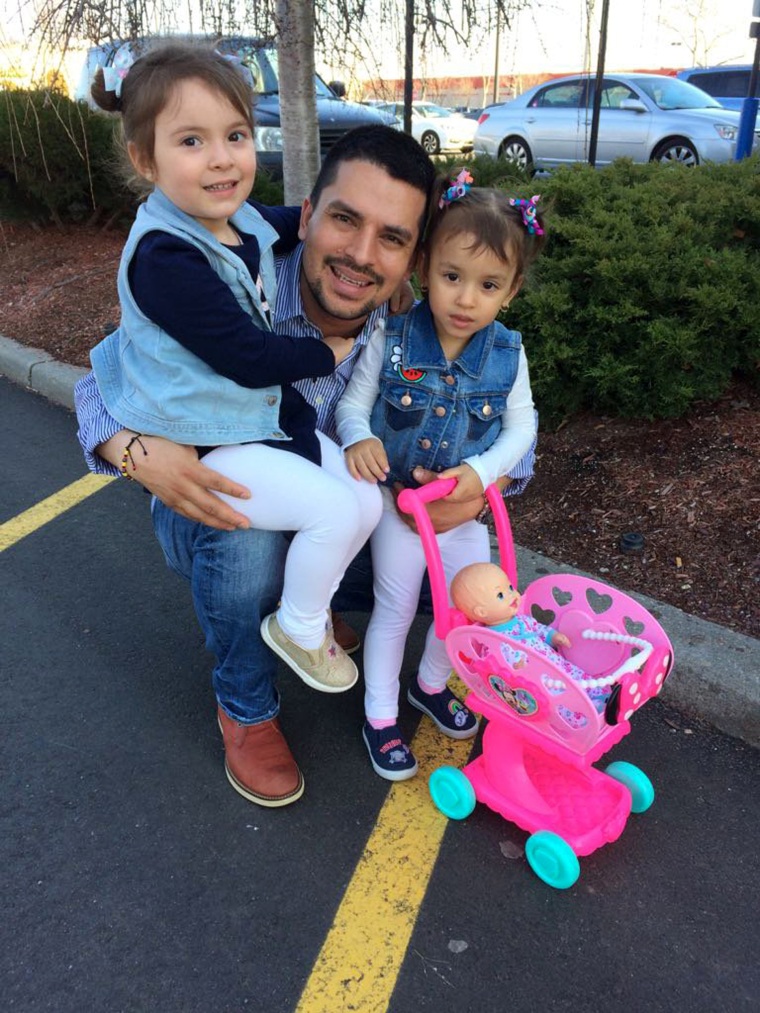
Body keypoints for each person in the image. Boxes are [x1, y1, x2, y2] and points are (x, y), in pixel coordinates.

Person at [75, 129, 536, 808]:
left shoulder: (413, 320)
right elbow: (107, 368)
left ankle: (315, 613)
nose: (360, 255)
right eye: (345, 219)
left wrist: (483, 485)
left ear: (416, 256)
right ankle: (246, 704)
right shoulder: (238, 273)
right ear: (310, 209)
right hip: (225, 503)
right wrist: (134, 452)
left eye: (391, 237)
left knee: (438, 568)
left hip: (341, 507)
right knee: (246, 538)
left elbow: (507, 419)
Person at [88, 43, 383, 707]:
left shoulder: (231, 219)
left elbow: (274, 225)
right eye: (192, 140)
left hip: (258, 427)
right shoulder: (166, 257)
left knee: (364, 500)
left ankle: (309, 600)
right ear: (146, 159)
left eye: (237, 135)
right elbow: (247, 355)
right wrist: (327, 353)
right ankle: (284, 646)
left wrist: (322, 221)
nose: (222, 157)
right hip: (212, 440)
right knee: (328, 511)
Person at [334, 173, 543, 780]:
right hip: (402, 510)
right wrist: (360, 435)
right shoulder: (393, 336)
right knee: (396, 608)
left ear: (511, 290)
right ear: (425, 267)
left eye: (488, 286)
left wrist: (478, 477)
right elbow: (353, 402)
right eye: (452, 277)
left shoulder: (507, 352)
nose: (465, 299)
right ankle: (379, 714)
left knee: (472, 607)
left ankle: (429, 684)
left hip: (464, 511)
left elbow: (521, 428)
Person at [450, 561, 611, 718]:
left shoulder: (520, 620)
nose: (512, 594)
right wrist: (515, 668)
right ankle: (587, 714)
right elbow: (495, 668)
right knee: (561, 698)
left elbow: (537, 628)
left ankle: (603, 694)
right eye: (500, 595)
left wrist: (552, 636)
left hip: (555, 664)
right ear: (481, 612)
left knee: (577, 677)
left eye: (510, 587)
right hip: (539, 680)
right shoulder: (491, 642)